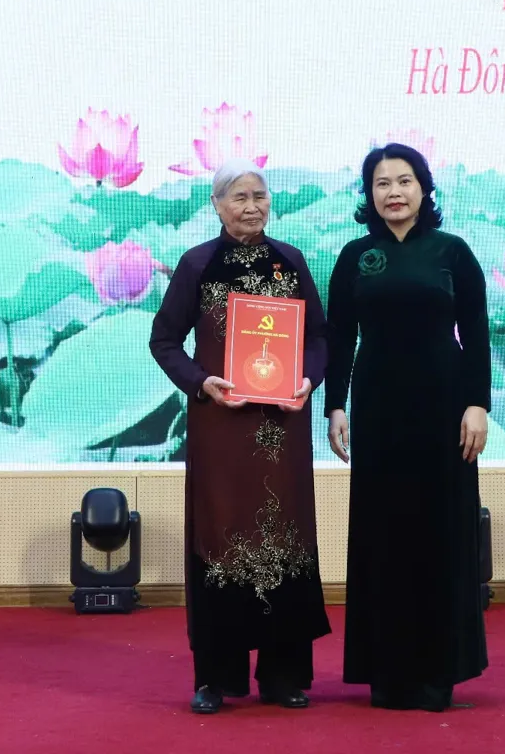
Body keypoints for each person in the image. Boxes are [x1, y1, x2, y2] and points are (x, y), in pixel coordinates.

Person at [149, 160, 330, 714]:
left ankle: (282, 675)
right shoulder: (197, 264)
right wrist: (201, 383)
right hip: (220, 426)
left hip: (282, 429)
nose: (251, 206)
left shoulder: (290, 261)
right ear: (216, 204)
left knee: (284, 534)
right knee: (220, 536)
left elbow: (318, 338)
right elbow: (164, 341)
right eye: (238, 197)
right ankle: (216, 678)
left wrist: (308, 379)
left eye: (259, 195)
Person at [325, 143, 490, 711]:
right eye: (381, 183)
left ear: (424, 188)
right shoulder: (356, 256)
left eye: (404, 181)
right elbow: (340, 336)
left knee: (441, 533)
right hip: (378, 407)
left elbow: (476, 332)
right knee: (383, 534)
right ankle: (386, 673)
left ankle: (438, 672)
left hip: (444, 409)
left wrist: (477, 405)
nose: (393, 192)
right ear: (369, 194)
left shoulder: (453, 252)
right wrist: (335, 405)